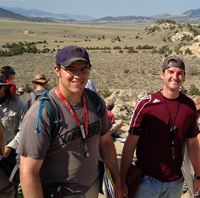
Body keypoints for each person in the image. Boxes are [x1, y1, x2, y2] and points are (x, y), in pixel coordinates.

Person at [17, 45, 123, 198]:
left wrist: (117, 181)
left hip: (91, 188)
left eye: (84, 69)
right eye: (71, 69)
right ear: (57, 70)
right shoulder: (42, 113)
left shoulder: (96, 102)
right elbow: (28, 172)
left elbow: (106, 143)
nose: (78, 75)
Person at [119, 56, 200, 198]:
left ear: (184, 77)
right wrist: (121, 181)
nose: (175, 77)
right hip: (146, 181)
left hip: (175, 182)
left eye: (179, 73)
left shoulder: (189, 106)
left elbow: (193, 143)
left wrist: (198, 175)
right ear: (162, 74)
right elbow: (130, 143)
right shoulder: (146, 105)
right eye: (171, 72)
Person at [0, 74, 27, 197]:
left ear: (5, 87)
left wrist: (9, 147)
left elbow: (23, 130)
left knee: (11, 187)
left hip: (10, 154)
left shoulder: (18, 105)